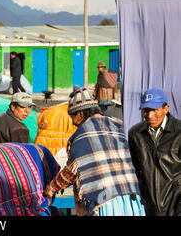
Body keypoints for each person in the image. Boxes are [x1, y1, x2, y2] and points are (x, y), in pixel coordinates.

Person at [44, 86, 145, 216]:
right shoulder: (118, 124)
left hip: (106, 200)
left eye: (72, 117)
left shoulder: (82, 136)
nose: (73, 123)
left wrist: (52, 187)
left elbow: (71, 171)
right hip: (132, 195)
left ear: (80, 114)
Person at [128, 88, 181, 216]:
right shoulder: (135, 134)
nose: (150, 115)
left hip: (177, 206)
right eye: (146, 111)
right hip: (149, 208)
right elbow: (135, 168)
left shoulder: (179, 132)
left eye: (155, 110)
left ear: (166, 109)